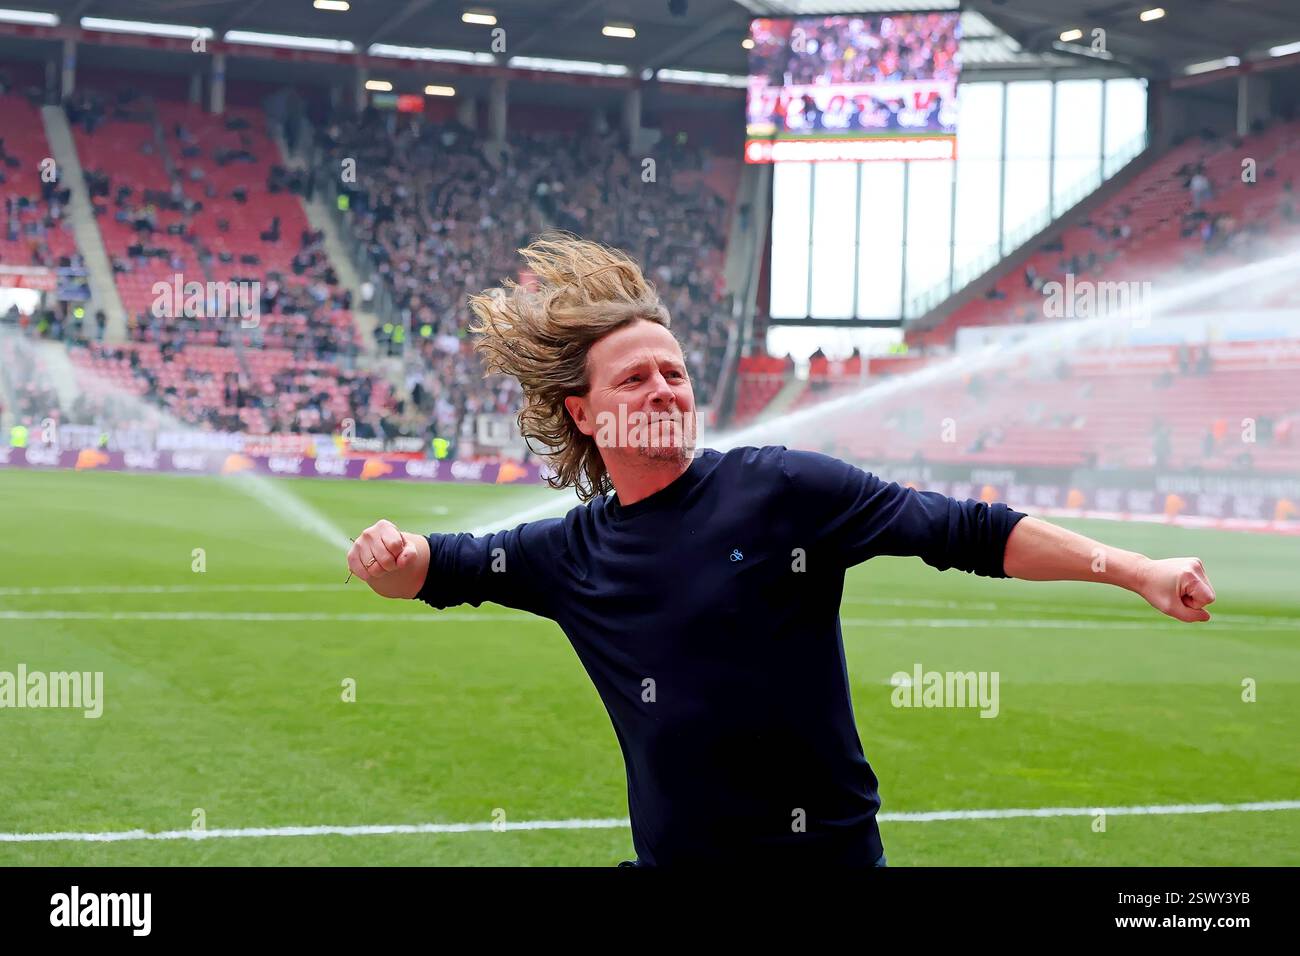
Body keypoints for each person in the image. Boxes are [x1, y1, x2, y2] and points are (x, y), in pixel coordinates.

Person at [345, 235, 1216, 867]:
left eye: (675, 372)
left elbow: (967, 532)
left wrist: (1138, 570)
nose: (663, 388)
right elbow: (439, 567)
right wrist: (391, 554)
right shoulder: (569, 554)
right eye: (635, 377)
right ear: (583, 412)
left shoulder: (783, 490)